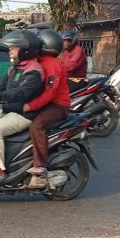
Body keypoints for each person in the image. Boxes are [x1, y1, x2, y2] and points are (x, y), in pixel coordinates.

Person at [0, 29, 46, 187]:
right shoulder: (15, 68)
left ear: (25, 50)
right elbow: (0, 85)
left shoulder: (34, 71)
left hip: (24, 114)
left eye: (13, 48)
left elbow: (19, 94)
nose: (10, 51)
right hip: (9, 109)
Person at [25, 29, 71, 178]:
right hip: (46, 103)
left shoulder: (52, 64)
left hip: (58, 106)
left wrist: (31, 106)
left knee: (37, 125)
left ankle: (40, 165)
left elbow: (50, 93)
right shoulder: (37, 62)